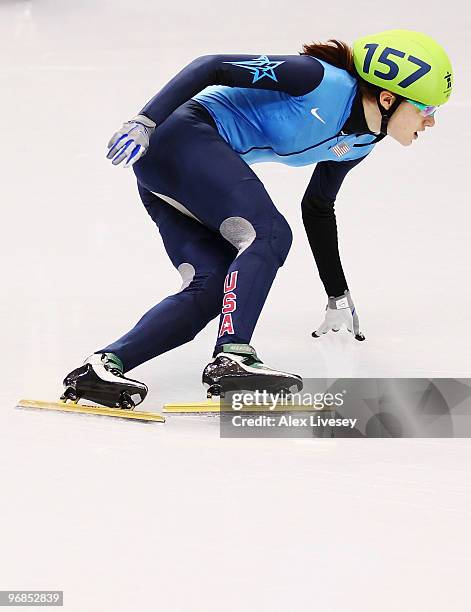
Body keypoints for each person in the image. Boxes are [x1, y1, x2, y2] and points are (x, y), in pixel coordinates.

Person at [61, 29, 453, 409]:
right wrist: (145, 120)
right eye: (427, 110)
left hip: (172, 173)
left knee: (213, 285)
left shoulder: (362, 141)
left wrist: (336, 291)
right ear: (387, 98)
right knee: (267, 234)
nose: (431, 122)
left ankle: (102, 367)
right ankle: (233, 357)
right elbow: (211, 65)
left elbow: (317, 206)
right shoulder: (318, 80)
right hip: (177, 136)